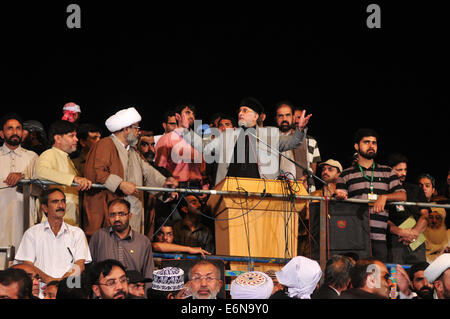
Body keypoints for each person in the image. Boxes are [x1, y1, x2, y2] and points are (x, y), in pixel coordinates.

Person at [83, 107, 178, 237]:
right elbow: (97, 172)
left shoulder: (133, 151)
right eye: (136, 128)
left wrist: (166, 185)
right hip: (111, 215)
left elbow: (148, 173)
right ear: (126, 129)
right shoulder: (105, 145)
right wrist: (121, 184)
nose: (139, 132)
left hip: (133, 213)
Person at [193, 97, 311, 186]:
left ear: (255, 117)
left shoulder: (270, 134)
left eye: (245, 110)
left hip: (261, 191)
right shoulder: (227, 136)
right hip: (230, 191)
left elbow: (293, 142)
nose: (240, 113)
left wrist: (300, 129)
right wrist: (184, 130)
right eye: (240, 111)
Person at [335, 128, 407, 262]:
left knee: (378, 277)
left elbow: (402, 195)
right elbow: (341, 195)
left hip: (379, 237)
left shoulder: (387, 171)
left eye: (374, 143)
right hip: (354, 236)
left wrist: (384, 197)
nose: (371, 146)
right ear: (357, 146)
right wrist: (340, 196)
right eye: (366, 142)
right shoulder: (346, 174)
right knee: (355, 277)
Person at [14, 188, 92, 284]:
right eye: (55, 202)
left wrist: (60, 284)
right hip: (42, 291)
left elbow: (80, 265)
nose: (61, 205)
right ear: (45, 208)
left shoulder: (77, 233)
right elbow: (27, 265)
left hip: (69, 290)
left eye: (63, 201)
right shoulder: (32, 233)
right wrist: (49, 281)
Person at [35, 119, 92, 226]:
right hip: (55, 221)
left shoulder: (65, 157)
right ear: (58, 138)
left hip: (68, 218)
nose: (76, 139)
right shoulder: (49, 154)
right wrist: (73, 179)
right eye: (71, 136)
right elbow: (41, 172)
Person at [89, 198, 154, 291]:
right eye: (112, 215)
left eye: (121, 214)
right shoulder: (99, 237)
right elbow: (90, 271)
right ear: (108, 217)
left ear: (130, 215)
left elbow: (149, 276)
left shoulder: (143, 242)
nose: (117, 219)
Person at [0, 113, 38, 252]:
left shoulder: (32, 157)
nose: (14, 132)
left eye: (18, 128)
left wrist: (24, 179)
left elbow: (40, 189)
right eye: (10, 128)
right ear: (2, 133)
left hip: (24, 215)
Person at [154, 104, 209, 193]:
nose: (191, 116)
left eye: (193, 114)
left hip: (197, 189)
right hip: (176, 189)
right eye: (187, 112)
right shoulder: (166, 139)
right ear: (178, 116)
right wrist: (167, 191)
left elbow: (203, 169)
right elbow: (159, 169)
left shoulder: (198, 142)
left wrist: (205, 189)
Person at [387, 153, 428, 264]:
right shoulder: (384, 191)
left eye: (405, 170)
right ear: (390, 171)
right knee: (397, 276)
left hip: (417, 239)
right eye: (399, 170)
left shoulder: (415, 189)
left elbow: (425, 215)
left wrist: (413, 233)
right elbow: (382, 219)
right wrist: (400, 232)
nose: (403, 173)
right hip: (395, 241)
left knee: (419, 273)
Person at [276, 102, 321, 189]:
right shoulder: (272, 137)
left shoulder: (305, 140)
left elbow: (311, 169)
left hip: (302, 186)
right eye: (280, 116)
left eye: (287, 115)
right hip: (278, 187)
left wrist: (306, 177)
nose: (284, 118)